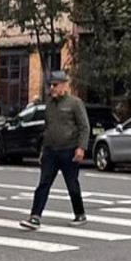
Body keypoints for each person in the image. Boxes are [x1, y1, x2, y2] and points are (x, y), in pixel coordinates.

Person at [20, 71, 89, 230]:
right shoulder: (50, 104)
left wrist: (81, 148)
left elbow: (84, 127)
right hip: (51, 150)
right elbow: (48, 128)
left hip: (69, 150)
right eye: (51, 85)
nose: (52, 88)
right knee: (43, 183)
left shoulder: (75, 103)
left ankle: (80, 213)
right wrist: (43, 150)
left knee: (72, 185)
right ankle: (35, 217)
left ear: (64, 85)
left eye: (55, 85)